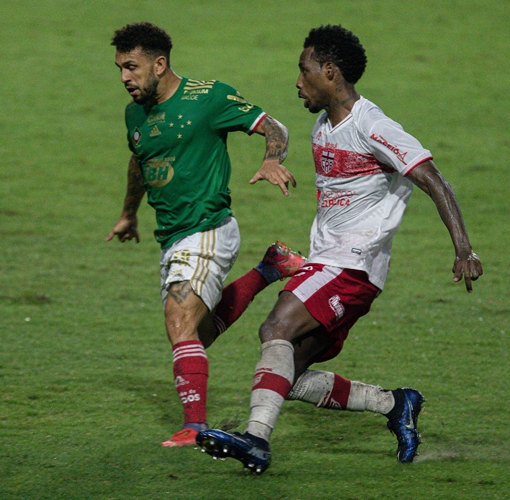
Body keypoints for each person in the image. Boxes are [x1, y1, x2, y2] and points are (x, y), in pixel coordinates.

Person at [196, 24, 483, 473]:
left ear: (329, 72)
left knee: (275, 329)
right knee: (285, 375)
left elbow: (433, 179)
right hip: (329, 261)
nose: (297, 82)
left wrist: (464, 250)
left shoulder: (372, 125)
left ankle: (255, 440)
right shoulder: (322, 126)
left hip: (353, 265)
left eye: (303, 70)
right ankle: (395, 404)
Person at [105, 22, 303, 447]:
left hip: (207, 227)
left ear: (160, 64)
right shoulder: (134, 113)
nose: (125, 78)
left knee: (178, 323)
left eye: (132, 67)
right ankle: (270, 268)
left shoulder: (208, 97)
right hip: (172, 235)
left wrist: (271, 160)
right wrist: (128, 214)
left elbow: (276, 128)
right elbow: (140, 160)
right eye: (120, 68)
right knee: (195, 337)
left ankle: (194, 429)